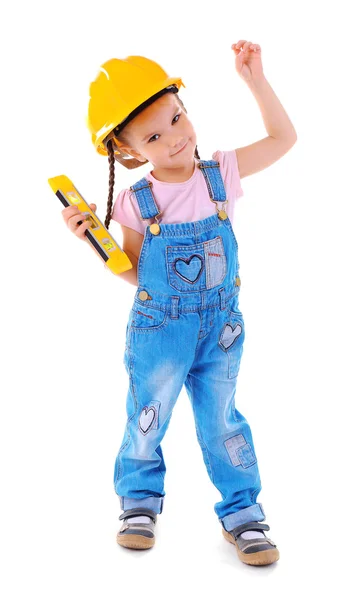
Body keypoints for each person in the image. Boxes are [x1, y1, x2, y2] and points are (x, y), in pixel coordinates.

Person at [62, 42, 297, 566]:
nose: (174, 138)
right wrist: (92, 243)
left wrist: (255, 80)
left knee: (222, 420)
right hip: (159, 328)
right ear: (127, 151)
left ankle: (243, 510)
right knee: (150, 413)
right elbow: (136, 273)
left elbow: (285, 138)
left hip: (221, 329)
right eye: (152, 135)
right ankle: (139, 502)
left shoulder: (222, 173)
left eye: (176, 118)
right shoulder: (134, 201)